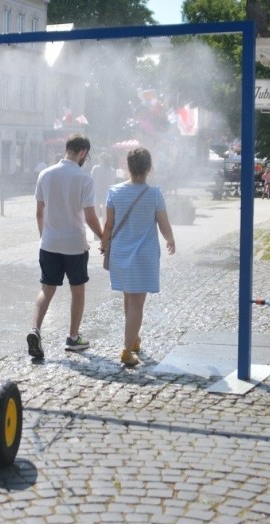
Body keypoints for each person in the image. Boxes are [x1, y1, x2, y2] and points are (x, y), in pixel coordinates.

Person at [27, 133, 104, 359]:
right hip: (74, 244)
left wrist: (44, 237)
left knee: (46, 289)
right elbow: (90, 216)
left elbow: (39, 211)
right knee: (77, 290)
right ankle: (72, 337)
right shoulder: (84, 179)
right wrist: (102, 237)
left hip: (49, 242)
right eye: (86, 157)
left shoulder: (45, 174)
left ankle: (35, 329)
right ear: (82, 152)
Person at [101, 147, 175, 367]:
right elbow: (163, 223)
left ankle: (133, 340)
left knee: (128, 297)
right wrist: (170, 239)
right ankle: (126, 349)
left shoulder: (114, 192)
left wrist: (104, 245)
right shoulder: (154, 194)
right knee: (136, 303)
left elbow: (109, 224)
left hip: (121, 254)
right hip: (144, 256)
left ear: (127, 167)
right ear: (149, 168)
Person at [91, 153, 116, 220]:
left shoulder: (96, 168)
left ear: (101, 159)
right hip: (106, 192)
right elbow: (112, 182)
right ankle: (104, 226)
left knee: (96, 209)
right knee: (105, 210)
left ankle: (96, 226)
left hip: (97, 191)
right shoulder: (112, 170)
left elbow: (91, 179)